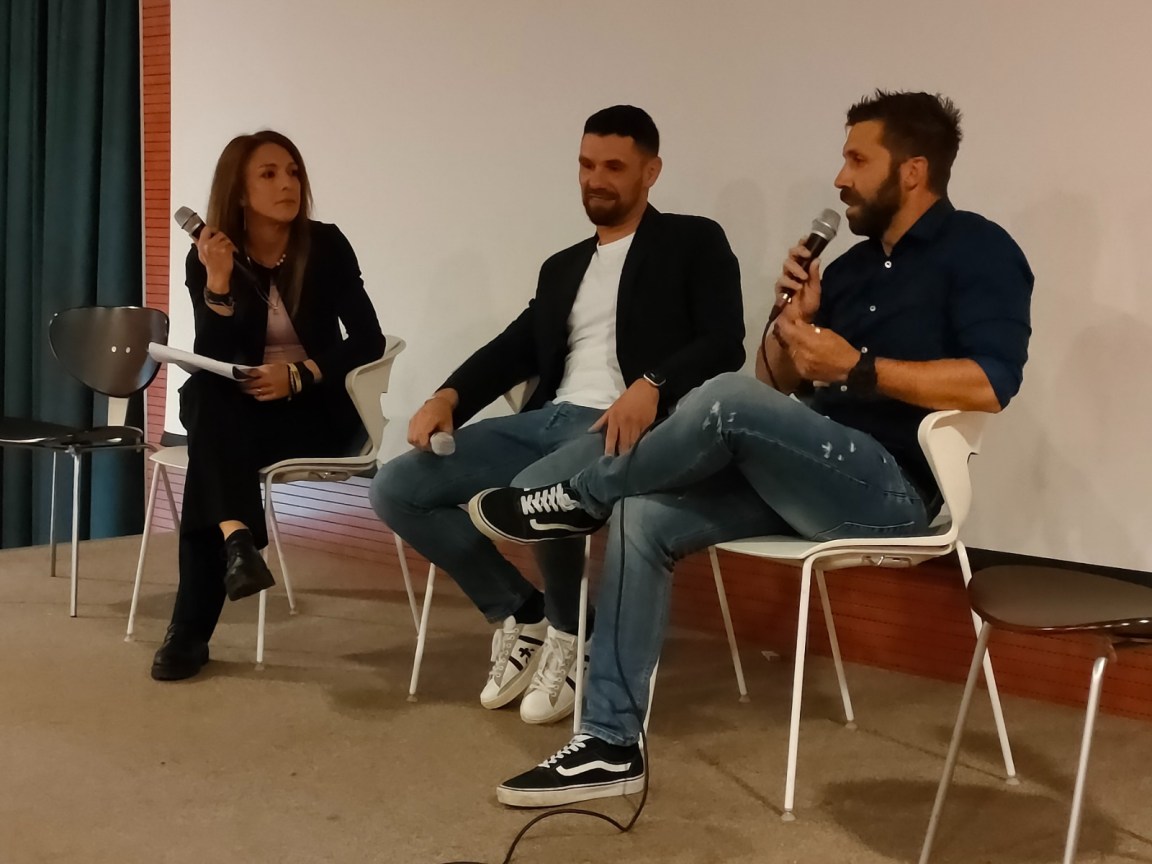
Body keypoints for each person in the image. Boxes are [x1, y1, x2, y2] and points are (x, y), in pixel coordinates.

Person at [469, 90, 1034, 806]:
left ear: (913, 170)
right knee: (644, 515)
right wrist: (790, 324)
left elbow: (992, 383)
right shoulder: (850, 270)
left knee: (724, 396)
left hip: (896, 490)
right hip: (808, 475)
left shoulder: (980, 251)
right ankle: (610, 744)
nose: (840, 178)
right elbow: (779, 384)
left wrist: (859, 368)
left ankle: (580, 497)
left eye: (857, 160)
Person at [370, 105, 745, 725]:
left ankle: (573, 635)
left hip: (631, 429)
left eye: (614, 167)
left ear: (651, 171)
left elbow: (724, 341)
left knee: (536, 489)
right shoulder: (563, 266)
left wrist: (652, 384)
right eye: (586, 165)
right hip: (546, 421)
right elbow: (515, 345)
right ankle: (521, 612)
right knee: (397, 487)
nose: (595, 179)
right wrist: (448, 396)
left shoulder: (692, 241)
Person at [151, 130, 385, 681]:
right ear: (238, 191)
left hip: (319, 412)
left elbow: (368, 339)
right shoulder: (209, 256)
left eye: (293, 172)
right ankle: (237, 543)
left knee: (210, 459)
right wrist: (218, 282)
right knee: (206, 397)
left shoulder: (325, 245)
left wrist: (301, 374)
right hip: (243, 414)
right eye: (270, 174)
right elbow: (213, 356)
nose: (288, 184)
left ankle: (193, 623)